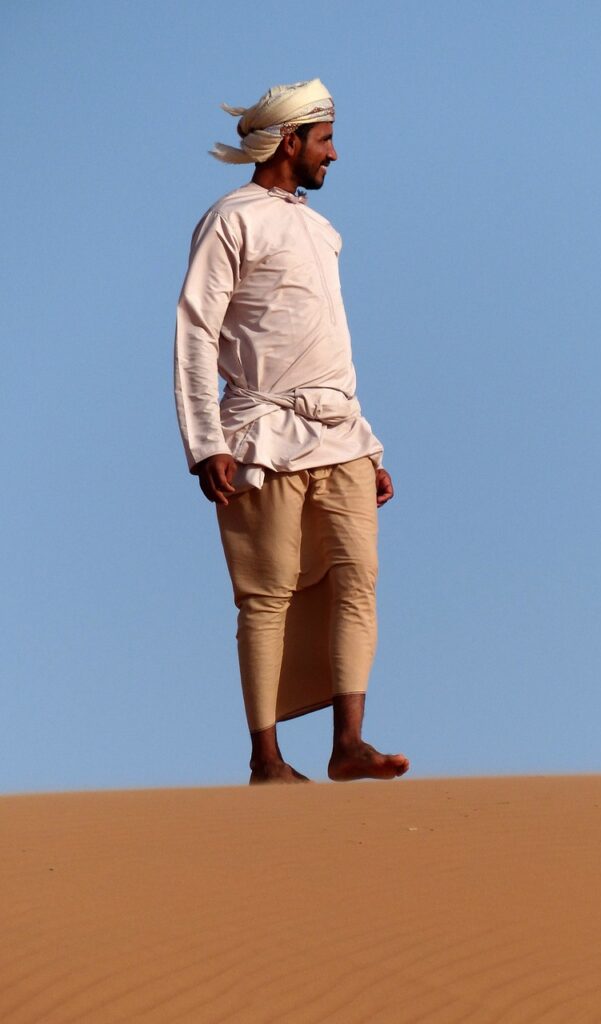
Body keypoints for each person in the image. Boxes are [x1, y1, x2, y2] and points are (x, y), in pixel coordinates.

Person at [174, 79, 409, 784]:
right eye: (325, 139)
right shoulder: (230, 220)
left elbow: (329, 347)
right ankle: (267, 759)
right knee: (265, 595)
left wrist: (368, 444)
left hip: (341, 435)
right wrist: (205, 442)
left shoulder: (322, 229)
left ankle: (349, 743)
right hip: (259, 434)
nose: (333, 154)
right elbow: (196, 331)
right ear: (289, 141)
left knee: (358, 578)